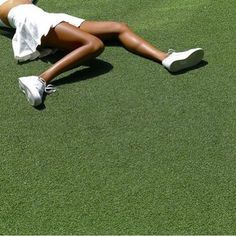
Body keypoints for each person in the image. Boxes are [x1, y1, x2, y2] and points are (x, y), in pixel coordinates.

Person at [0, 0, 204, 107]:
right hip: (27, 18)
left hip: (44, 15)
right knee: (95, 45)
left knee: (119, 28)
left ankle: (167, 58)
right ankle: (39, 80)